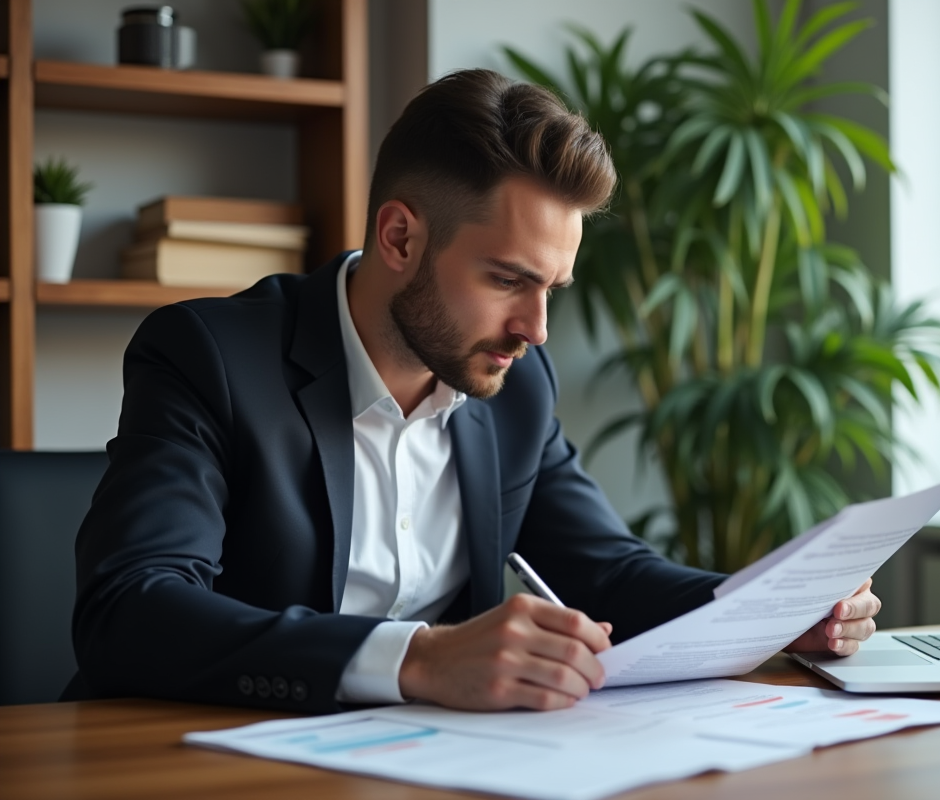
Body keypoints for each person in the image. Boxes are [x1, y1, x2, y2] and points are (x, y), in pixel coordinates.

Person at [66, 69, 880, 713]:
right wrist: (418, 658)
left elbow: (608, 573)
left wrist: (767, 607)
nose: (537, 327)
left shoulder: (516, 386)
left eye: (552, 286)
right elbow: (131, 610)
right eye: (507, 279)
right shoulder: (211, 355)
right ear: (399, 237)